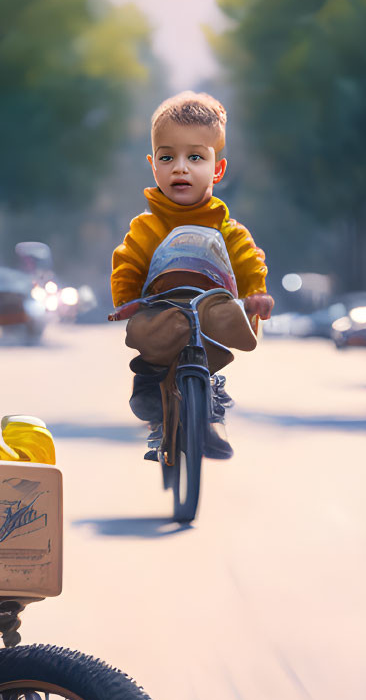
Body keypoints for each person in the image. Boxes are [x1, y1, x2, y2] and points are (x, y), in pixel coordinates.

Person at [110, 92, 275, 459]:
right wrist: (126, 301)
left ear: (217, 169)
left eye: (195, 157)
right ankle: (150, 381)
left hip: (209, 309)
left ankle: (207, 401)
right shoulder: (146, 227)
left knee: (228, 319)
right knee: (145, 332)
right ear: (154, 166)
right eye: (167, 157)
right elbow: (128, 262)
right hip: (162, 307)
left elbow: (249, 262)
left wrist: (257, 293)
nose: (180, 168)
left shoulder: (228, 229)